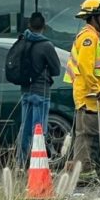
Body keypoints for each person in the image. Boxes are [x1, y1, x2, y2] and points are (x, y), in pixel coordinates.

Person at [64, 0, 100, 181]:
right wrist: (95, 89)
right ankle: (85, 174)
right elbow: (86, 67)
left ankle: (89, 171)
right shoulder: (88, 37)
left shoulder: (93, 36)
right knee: (87, 137)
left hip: (94, 97)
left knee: (93, 136)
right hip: (90, 96)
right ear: (92, 17)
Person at [16, 12, 62, 170]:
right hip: (41, 92)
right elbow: (56, 70)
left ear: (29, 25)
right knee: (39, 129)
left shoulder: (23, 41)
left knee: (25, 127)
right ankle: (38, 165)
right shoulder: (46, 45)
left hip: (25, 91)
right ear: (44, 26)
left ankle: (20, 163)